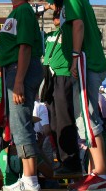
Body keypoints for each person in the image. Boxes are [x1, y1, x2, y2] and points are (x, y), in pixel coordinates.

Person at [37, 0, 106, 190]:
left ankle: (102, 173)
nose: (50, 5)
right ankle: (95, 171)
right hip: (90, 62)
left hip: (85, 63)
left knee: (86, 119)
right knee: (85, 118)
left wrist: (74, 56)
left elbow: (78, 25)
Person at [0, 0, 44, 191]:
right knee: (18, 123)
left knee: (21, 123)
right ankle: (28, 178)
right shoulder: (18, 12)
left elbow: (25, 46)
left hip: (20, 70)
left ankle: (30, 180)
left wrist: (18, 81)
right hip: (15, 68)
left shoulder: (24, 11)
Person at [41, 9, 81, 175]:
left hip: (63, 76)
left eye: (58, 15)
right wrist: (45, 8)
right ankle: (61, 158)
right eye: (54, 15)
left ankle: (71, 161)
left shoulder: (68, 32)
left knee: (65, 119)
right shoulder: (49, 34)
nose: (55, 17)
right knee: (54, 123)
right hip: (51, 77)